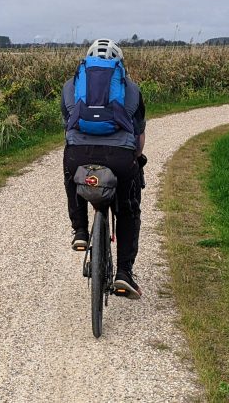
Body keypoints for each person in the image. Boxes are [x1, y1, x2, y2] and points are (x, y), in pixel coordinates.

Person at [61, 38, 146, 298]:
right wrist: (135, 158)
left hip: (79, 153)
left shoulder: (72, 86)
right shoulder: (131, 89)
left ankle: (81, 231)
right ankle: (124, 273)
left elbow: (68, 128)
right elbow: (139, 138)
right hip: (120, 156)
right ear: (119, 65)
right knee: (129, 208)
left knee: (71, 175)